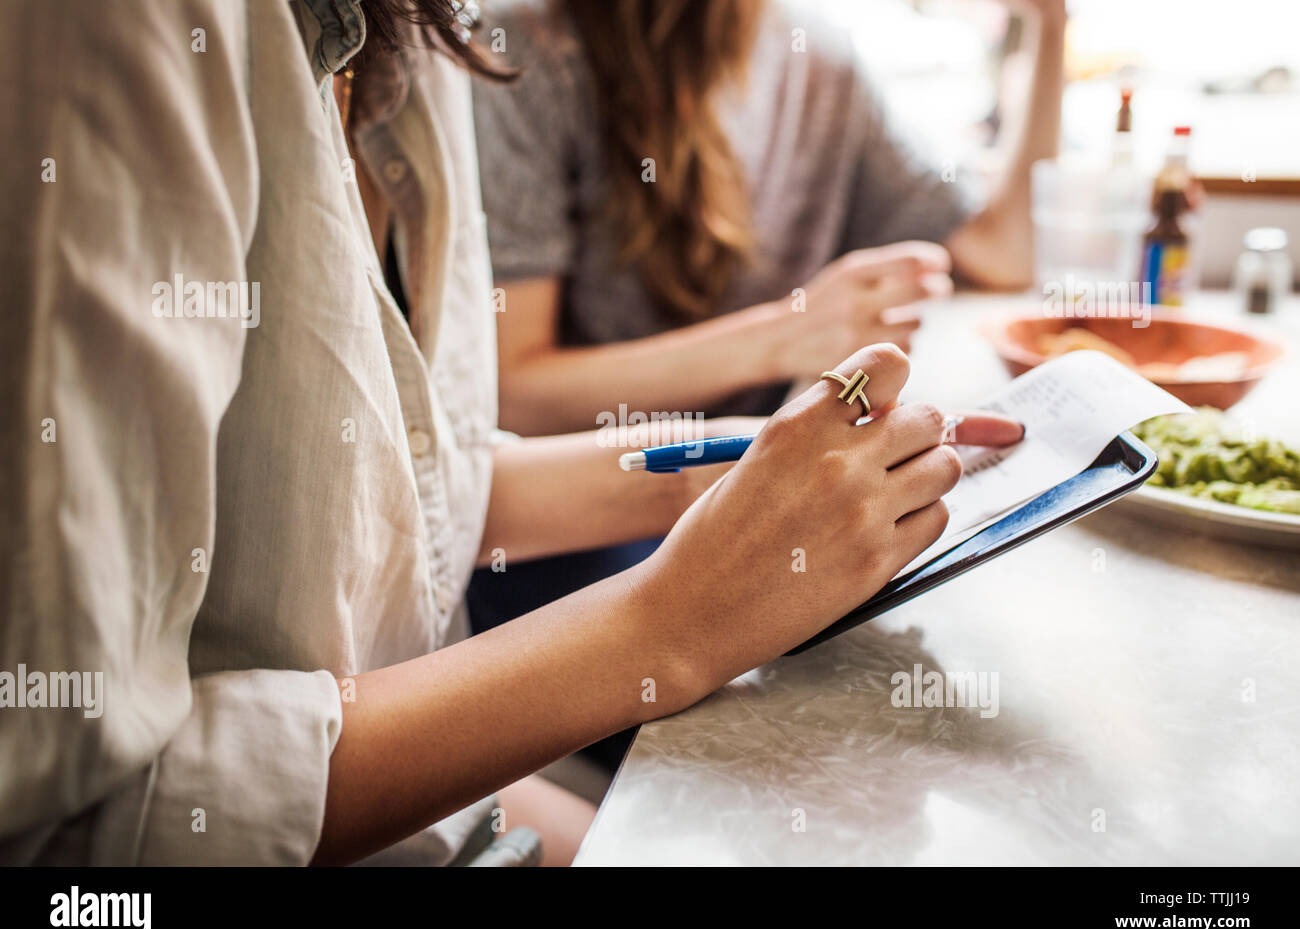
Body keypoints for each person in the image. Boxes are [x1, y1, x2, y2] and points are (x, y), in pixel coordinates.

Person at [0, 0, 1020, 867]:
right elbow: (78, 824)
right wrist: (668, 624)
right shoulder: (116, 32)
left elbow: (428, 482)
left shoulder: (426, 33)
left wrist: (764, 464)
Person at [473, 0, 1067, 434]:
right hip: (590, 500)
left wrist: (1050, 25)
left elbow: (1002, 254)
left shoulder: (821, 57)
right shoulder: (519, 51)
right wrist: (787, 336)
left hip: (753, 467)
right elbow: (511, 394)